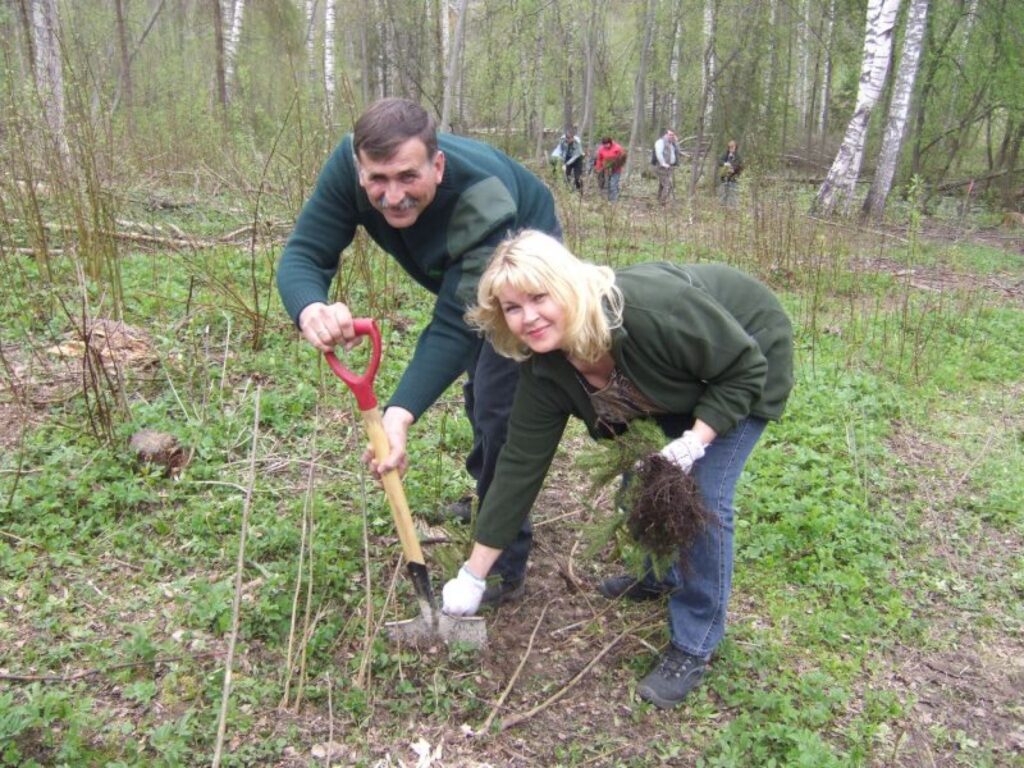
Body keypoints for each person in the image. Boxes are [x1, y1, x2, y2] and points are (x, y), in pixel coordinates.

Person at [441, 230, 794, 709]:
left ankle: (694, 643)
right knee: (642, 470)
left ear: (566, 286)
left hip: (745, 361)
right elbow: (519, 469)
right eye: (512, 307)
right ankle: (656, 575)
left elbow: (744, 369)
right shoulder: (547, 369)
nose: (528, 318)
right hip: (676, 384)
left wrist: (693, 442)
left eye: (539, 297)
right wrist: (474, 574)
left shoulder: (652, 311)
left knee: (701, 496)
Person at [276, 98, 562, 604]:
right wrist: (309, 308)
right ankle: (486, 496)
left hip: (520, 251)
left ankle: (502, 554)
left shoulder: (482, 198)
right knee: (482, 388)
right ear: (360, 166)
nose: (392, 197)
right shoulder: (349, 168)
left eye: (408, 177)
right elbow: (305, 251)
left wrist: (399, 414)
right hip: (461, 263)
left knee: (500, 402)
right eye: (377, 180)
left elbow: (456, 323)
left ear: (438, 164)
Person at [594, 136, 626, 202]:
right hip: (607, 169)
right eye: (604, 144)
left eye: (607, 144)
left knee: (613, 184)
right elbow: (599, 159)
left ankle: (614, 202)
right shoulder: (601, 149)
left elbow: (623, 157)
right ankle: (610, 199)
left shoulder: (617, 148)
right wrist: (598, 168)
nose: (606, 146)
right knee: (608, 184)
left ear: (610, 143)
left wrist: (617, 163)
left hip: (616, 169)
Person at [653, 129, 679, 205]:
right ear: (665, 135)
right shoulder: (660, 142)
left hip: (669, 167)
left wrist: (676, 142)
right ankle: (662, 203)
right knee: (668, 185)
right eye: (670, 134)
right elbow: (659, 153)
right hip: (661, 167)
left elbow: (678, 151)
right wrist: (663, 163)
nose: (672, 136)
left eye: (673, 135)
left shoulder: (672, 143)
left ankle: (659, 200)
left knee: (662, 184)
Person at [717, 139, 744, 208]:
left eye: (732, 147)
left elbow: (740, 165)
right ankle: (722, 209)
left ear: (735, 147)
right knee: (723, 195)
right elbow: (720, 161)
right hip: (724, 179)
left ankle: (734, 210)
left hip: (733, 179)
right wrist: (725, 164)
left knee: (734, 196)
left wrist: (733, 169)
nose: (731, 148)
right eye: (730, 147)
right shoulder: (725, 154)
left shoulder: (738, 156)